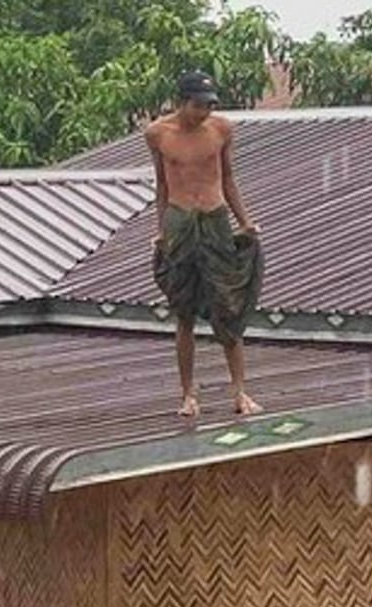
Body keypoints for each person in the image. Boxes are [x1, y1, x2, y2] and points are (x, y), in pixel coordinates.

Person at [145, 70, 264, 417]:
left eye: (209, 105)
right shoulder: (157, 133)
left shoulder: (221, 129)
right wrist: (162, 231)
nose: (204, 112)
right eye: (199, 105)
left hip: (214, 217)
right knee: (184, 312)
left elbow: (228, 178)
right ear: (182, 102)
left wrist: (244, 221)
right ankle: (188, 394)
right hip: (180, 219)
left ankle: (240, 392)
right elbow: (162, 185)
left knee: (228, 307)